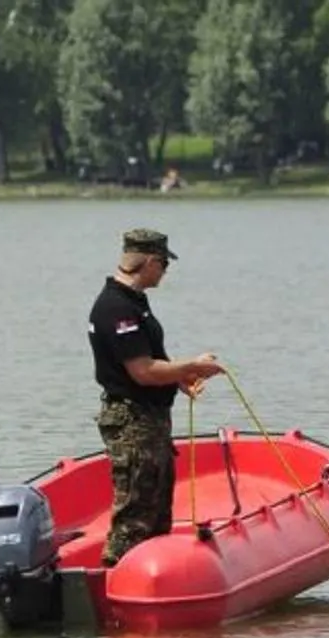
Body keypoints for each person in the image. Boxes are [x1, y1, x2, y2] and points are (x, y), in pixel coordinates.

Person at [87, 228, 226, 567]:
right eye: (163, 263)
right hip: (132, 421)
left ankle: (157, 580)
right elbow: (143, 371)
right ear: (148, 261)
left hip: (151, 417)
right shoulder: (116, 308)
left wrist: (181, 378)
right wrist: (191, 366)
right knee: (135, 511)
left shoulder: (135, 303)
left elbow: (155, 359)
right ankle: (114, 578)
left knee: (158, 508)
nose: (165, 270)